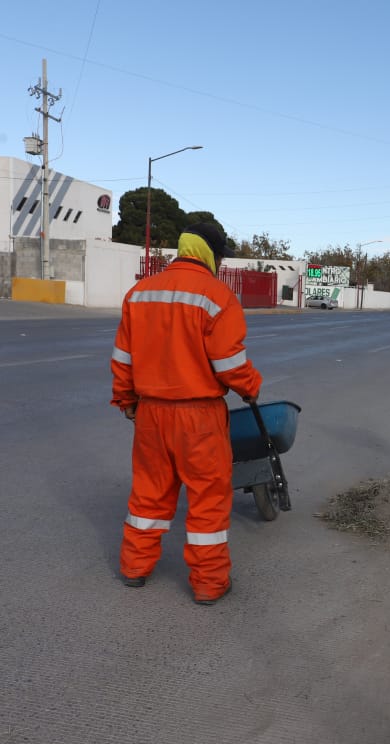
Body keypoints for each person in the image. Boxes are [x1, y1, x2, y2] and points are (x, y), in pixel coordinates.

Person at [110, 222, 262, 604]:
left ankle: (134, 567)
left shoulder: (139, 293)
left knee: (148, 493)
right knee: (208, 500)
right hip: (199, 417)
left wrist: (126, 400)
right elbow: (229, 364)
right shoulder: (217, 296)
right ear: (213, 254)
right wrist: (252, 387)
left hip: (150, 414)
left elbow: (123, 359)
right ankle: (210, 584)